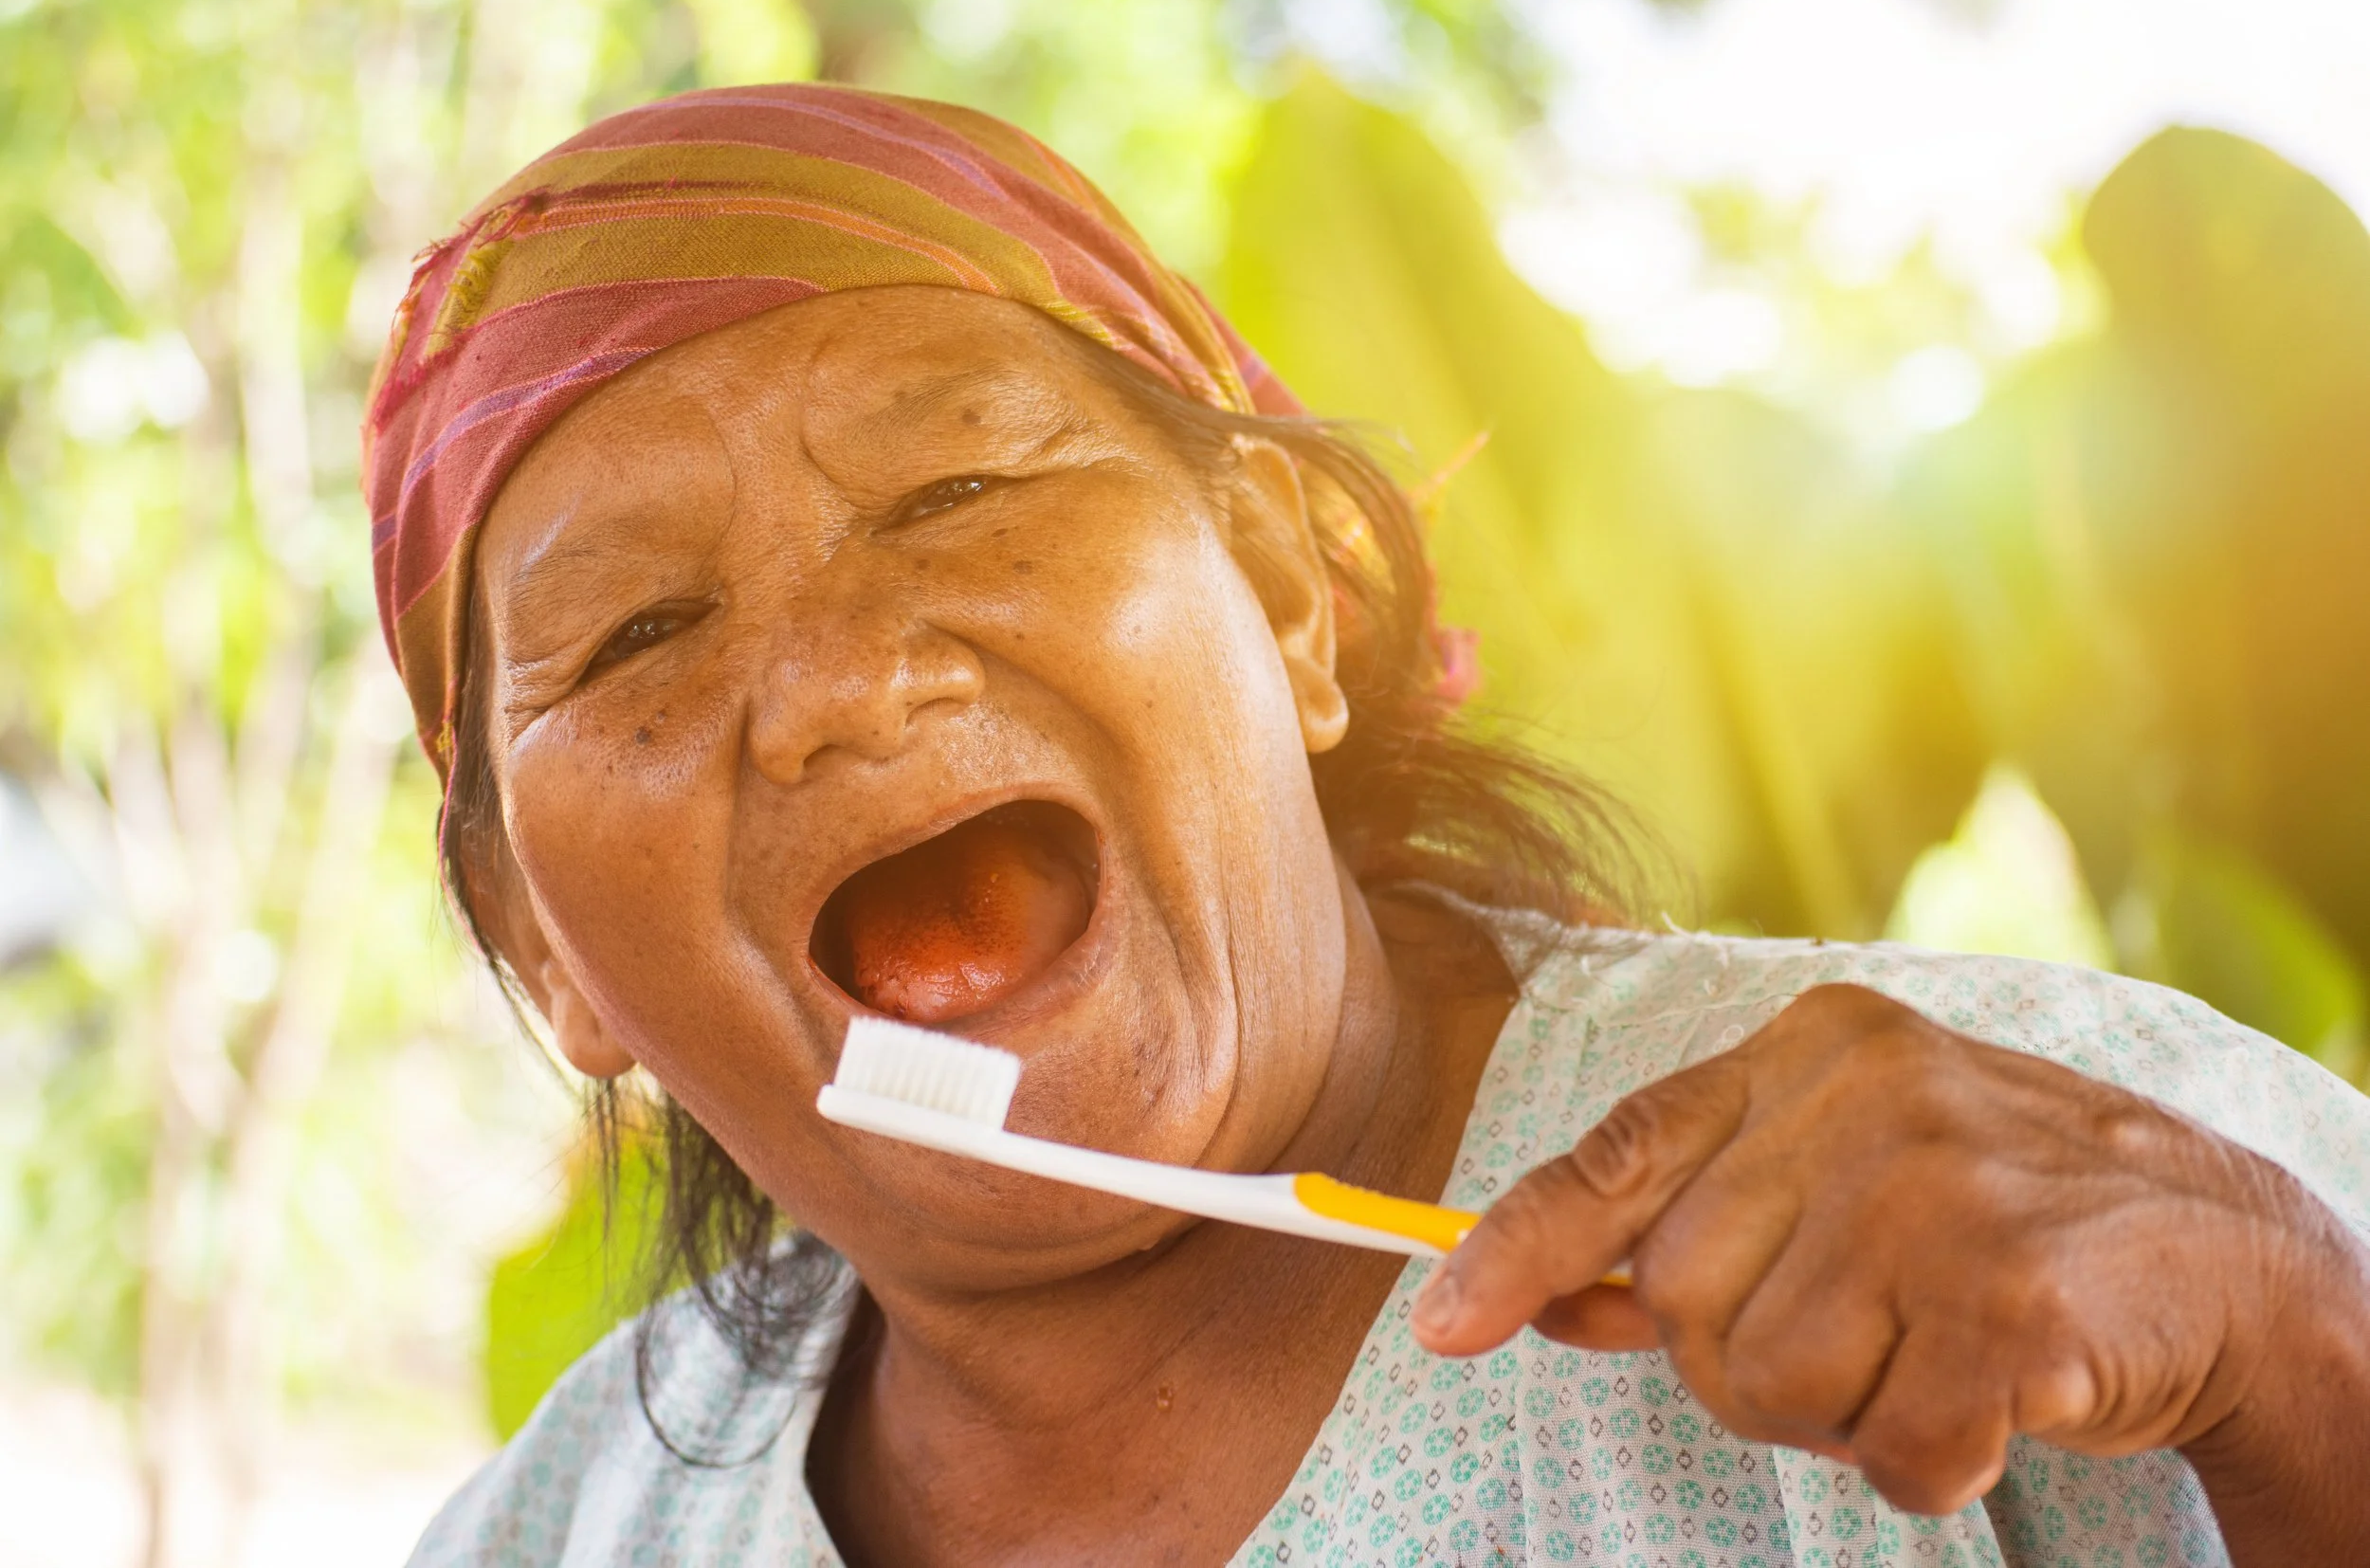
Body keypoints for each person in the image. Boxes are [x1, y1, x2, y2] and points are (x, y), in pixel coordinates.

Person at [370, 86, 2370, 1567]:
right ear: (546, 950)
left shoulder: (2078, 1175)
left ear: (1292, 592)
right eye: (634, 629)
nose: (832, 685)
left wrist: (2294, 1357)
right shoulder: (556, 1536)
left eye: (958, 490)